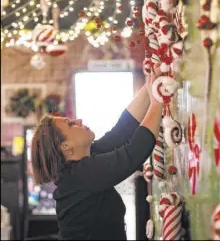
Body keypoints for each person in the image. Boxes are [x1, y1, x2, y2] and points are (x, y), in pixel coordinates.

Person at [31, 68, 163, 240]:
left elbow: (122, 131)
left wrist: (150, 86)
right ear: (66, 146)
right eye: (71, 124)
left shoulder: (83, 161)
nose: (79, 120)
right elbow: (133, 154)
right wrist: (158, 101)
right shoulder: (80, 174)